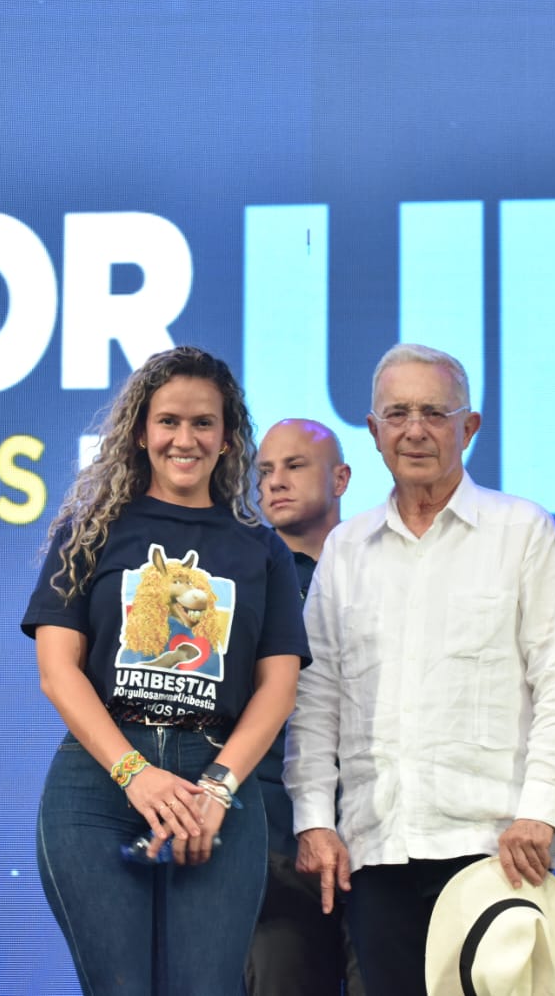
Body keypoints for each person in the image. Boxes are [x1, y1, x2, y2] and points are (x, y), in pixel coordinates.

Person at [286, 343, 555, 996]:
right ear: (373, 431)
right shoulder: (345, 549)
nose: (414, 429)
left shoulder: (521, 529)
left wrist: (539, 813)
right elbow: (316, 697)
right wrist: (314, 818)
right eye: (397, 413)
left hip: (496, 843)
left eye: (434, 412)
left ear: (468, 427)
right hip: (375, 845)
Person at [23, 345, 309, 996]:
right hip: (98, 787)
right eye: (169, 421)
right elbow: (58, 671)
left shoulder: (260, 548)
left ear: (228, 436)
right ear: (140, 431)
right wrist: (135, 773)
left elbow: (278, 687)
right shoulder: (89, 531)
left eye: (203, 422)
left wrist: (217, 789)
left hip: (217, 786)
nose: (185, 439)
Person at [248, 418, 361, 996]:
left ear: (340, 478)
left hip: (378, 834)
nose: (275, 482)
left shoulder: (376, 570)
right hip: (274, 843)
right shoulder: (241, 581)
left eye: (294, 466)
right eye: (264, 471)